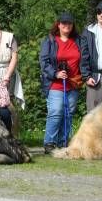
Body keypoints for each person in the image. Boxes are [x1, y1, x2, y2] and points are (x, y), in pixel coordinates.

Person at [39, 12, 82, 154]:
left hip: (73, 83)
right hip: (56, 83)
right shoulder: (50, 41)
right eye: (63, 23)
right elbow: (44, 62)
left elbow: (85, 59)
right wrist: (55, 73)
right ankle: (49, 142)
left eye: (69, 23)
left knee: (68, 113)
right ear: (58, 24)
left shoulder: (78, 40)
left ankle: (63, 141)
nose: (66, 26)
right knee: (56, 111)